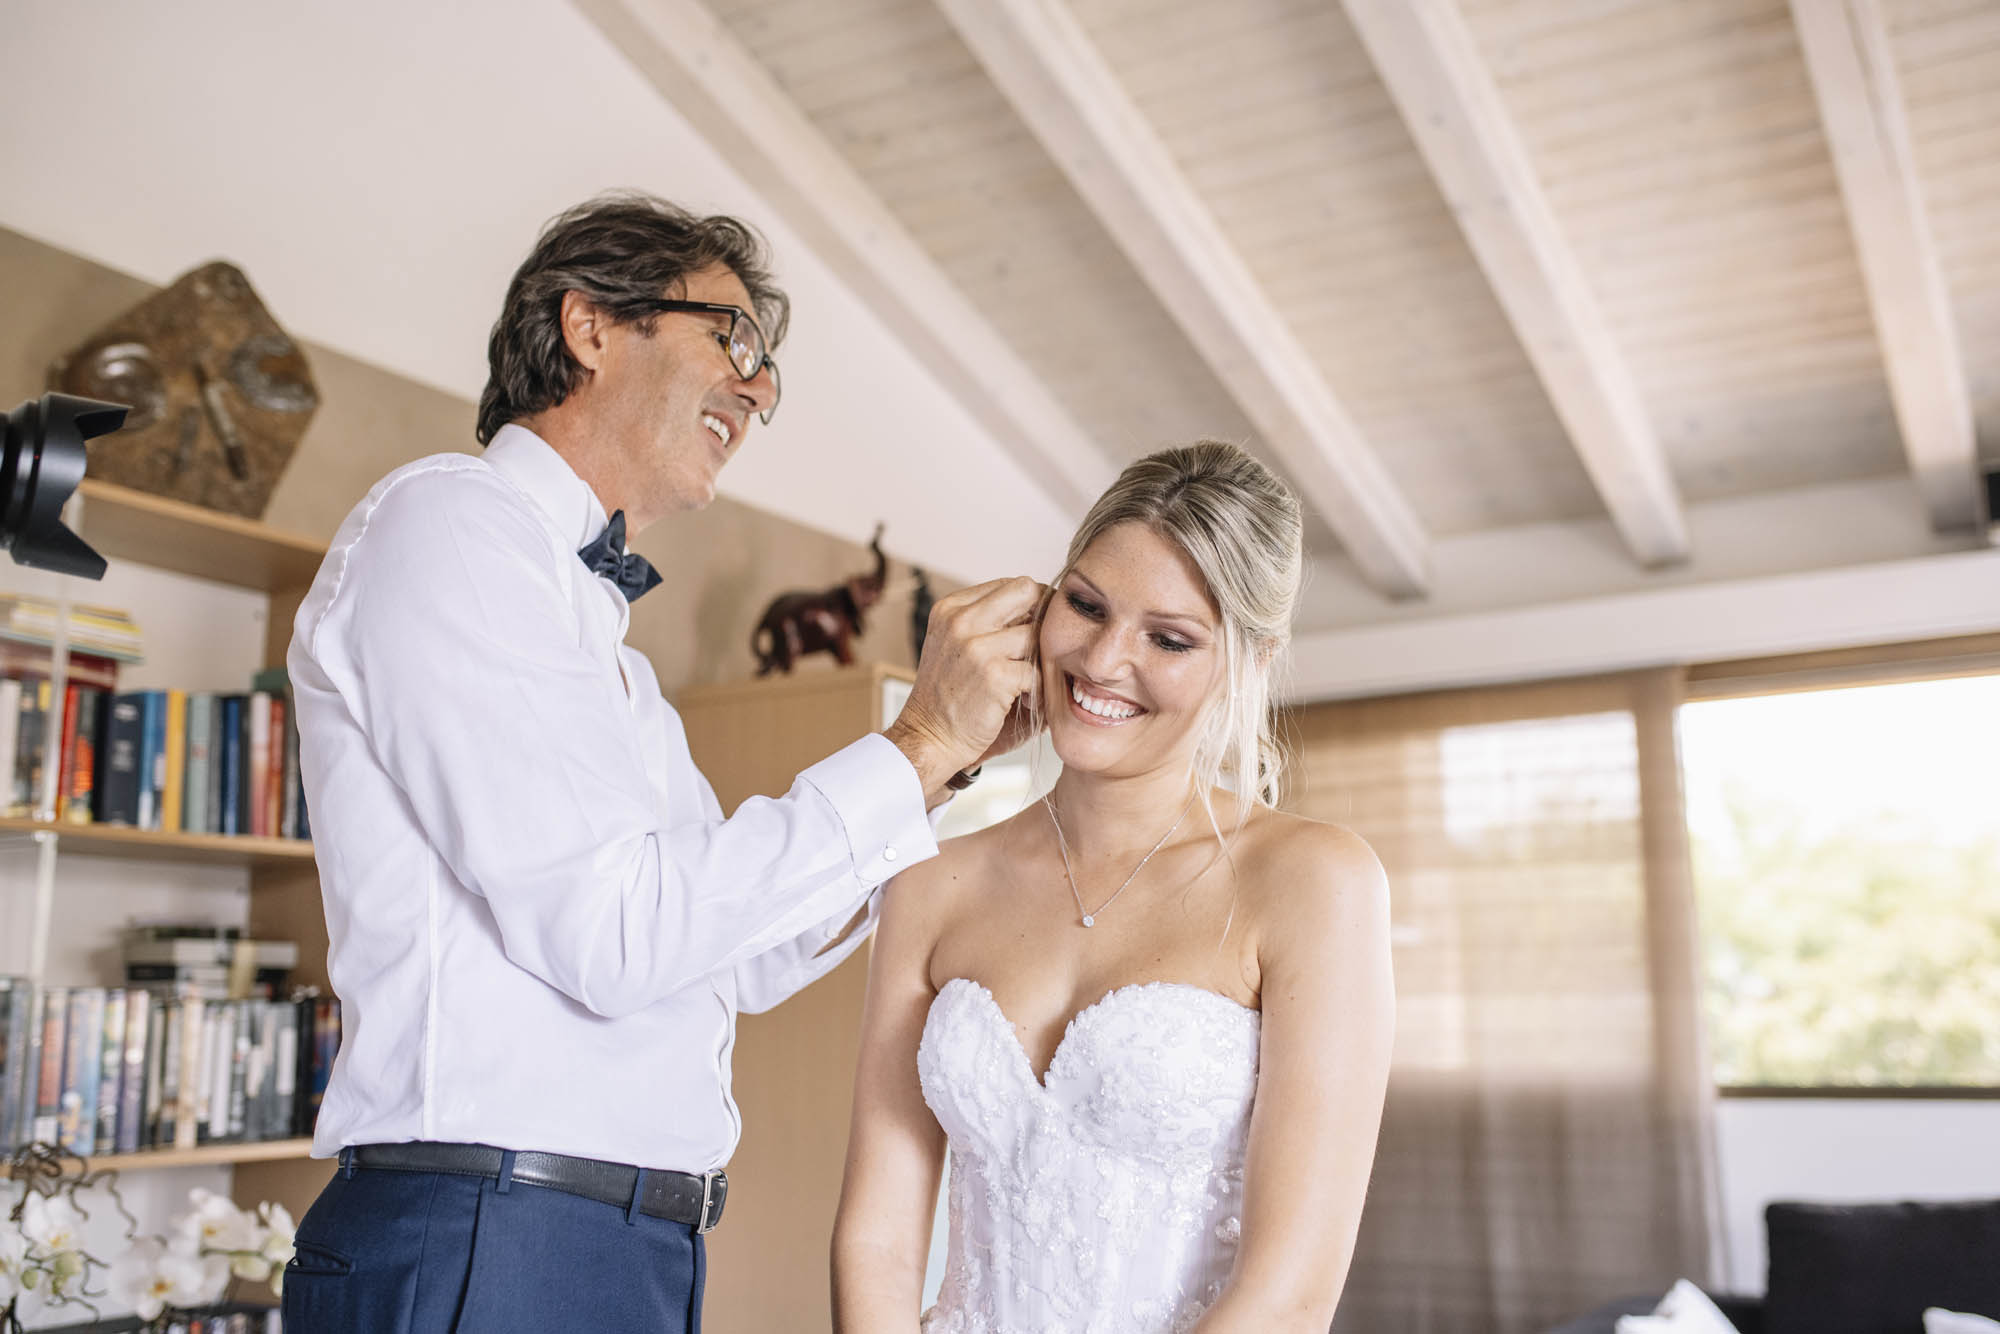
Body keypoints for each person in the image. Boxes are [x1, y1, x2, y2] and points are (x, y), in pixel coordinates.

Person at [281, 193, 1039, 1334]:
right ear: (589, 326)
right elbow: (616, 938)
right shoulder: (452, 525)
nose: (761, 388)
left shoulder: (616, 664)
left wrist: (945, 763)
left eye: (769, 369)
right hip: (491, 1239)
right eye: (733, 339)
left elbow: (746, 956)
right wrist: (915, 736)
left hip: (612, 1246)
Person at [831, 441, 1396, 1333]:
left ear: (1249, 661)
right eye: (1086, 606)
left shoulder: (1313, 882)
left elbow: (1288, 1295)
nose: (1101, 660)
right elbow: (878, 1240)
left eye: (1168, 639)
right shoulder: (930, 880)